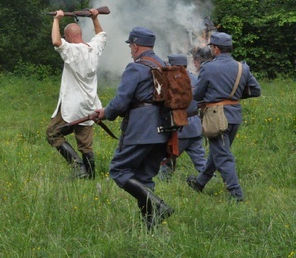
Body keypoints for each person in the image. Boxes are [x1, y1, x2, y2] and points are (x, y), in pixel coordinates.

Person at [93, 27, 173, 230]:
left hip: (140, 131)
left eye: (131, 46)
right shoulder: (163, 65)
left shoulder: (135, 68)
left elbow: (121, 102)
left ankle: (159, 205)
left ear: (135, 46)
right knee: (144, 177)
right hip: (163, 131)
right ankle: (150, 228)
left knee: (119, 170)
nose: (130, 50)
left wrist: (106, 113)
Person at [186, 32, 261, 202]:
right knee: (218, 150)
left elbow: (197, 95)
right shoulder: (243, 67)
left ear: (216, 49)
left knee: (223, 155)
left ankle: (236, 194)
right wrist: (231, 97)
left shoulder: (208, 67)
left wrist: (217, 97)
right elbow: (255, 90)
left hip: (216, 117)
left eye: (211, 47)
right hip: (235, 115)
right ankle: (199, 183)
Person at [46, 8, 106, 179]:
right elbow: (101, 35)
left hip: (72, 105)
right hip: (89, 104)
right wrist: (95, 17)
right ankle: (91, 176)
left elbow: (56, 42)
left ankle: (78, 168)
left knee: (52, 133)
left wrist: (57, 19)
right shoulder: (94, 49)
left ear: (70, 37)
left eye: (67, 37)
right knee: (85, 145)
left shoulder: (72, 50)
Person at [158, 54, 206, 180]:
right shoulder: (195, 78)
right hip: (195, 126)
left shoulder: (173, 80)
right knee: (201, 160)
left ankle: (163, 184)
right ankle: (212, 180)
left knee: (166, 157)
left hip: (180, 127)